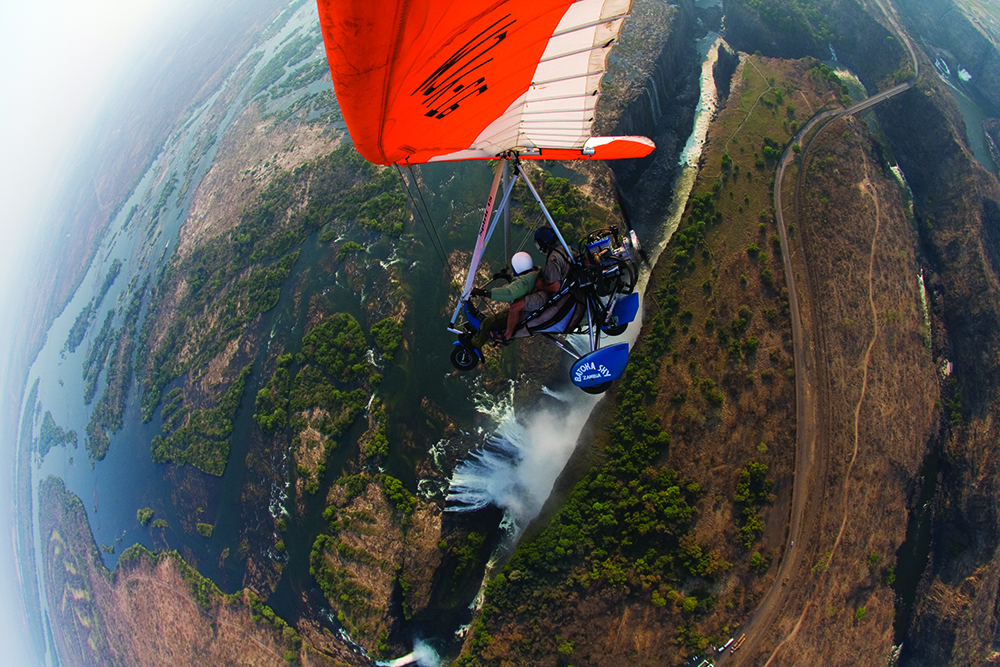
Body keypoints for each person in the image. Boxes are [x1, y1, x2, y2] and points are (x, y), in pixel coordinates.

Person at [501, 227, 570, 339]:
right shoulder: (563, 249)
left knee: (516, 306)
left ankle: (508, 334)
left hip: (554, 299)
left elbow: (556, 287)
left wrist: (542, 286)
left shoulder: (553, 259)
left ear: (543, 243)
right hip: (566, 295)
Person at [466, 251, 538, 349]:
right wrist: (506, 276)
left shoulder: (524, 283)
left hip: (521, 312)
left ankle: (473, 344)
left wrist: (484, 293)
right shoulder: (532, 274)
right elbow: (517, 286)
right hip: (523, 308)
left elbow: (510, 293)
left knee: (487, 323)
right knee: (492, 319)